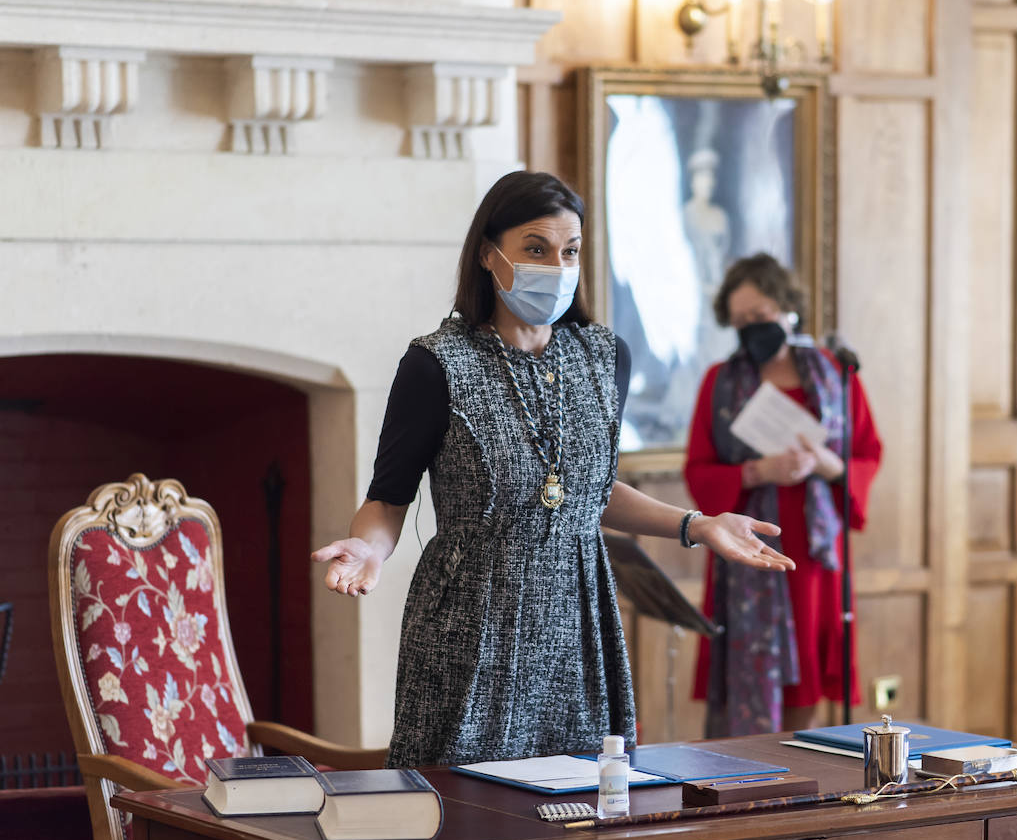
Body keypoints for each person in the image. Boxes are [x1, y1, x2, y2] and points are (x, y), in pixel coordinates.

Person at [310, 172, 793, 767]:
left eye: (570, 252)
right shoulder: (436, 364)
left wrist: (697, 523)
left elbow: (585, 491)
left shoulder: (604, 356)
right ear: (489, 255)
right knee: (463, 815)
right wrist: (369, 550)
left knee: (585, 809)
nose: (557, 266)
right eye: (535, 249)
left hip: (579, 617)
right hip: (472, 620)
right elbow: (388, 498)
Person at [686, 253, 882, 737]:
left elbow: (867, 454)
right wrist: (758, 471)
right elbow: (697, 471)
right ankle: (745, 786)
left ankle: (801, 785)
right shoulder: (720, 381)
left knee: (807, 687)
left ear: (788, 309)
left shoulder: (835, 374)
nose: (753, 329)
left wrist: (824, 463)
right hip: (747, 548)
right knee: (745, 687)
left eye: (762, 316)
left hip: (813, 556)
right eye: (741, 322)